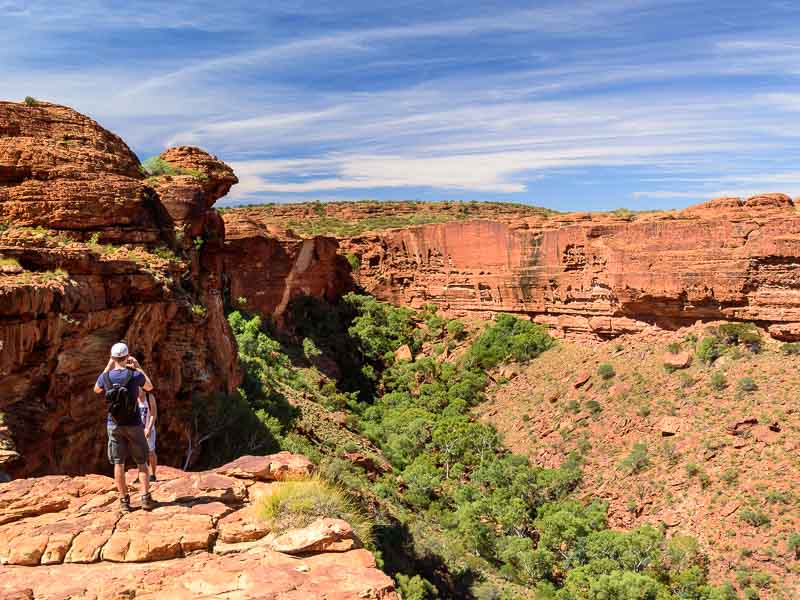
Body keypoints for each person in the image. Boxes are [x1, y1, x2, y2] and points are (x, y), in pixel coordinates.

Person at [94, 342, 156, 513]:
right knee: (142, 462)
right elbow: (150, 387)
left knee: (118, 463)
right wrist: (139, 367)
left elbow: (97, 390)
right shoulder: (134, 375)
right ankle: (145, 498)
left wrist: (108, 365)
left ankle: (124, 502)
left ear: (113, 358)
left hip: (113, 425)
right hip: (135, 424)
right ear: (127, 357)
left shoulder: (105, 377)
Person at [137, 389, 158, 482]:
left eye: (139, 388)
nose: (137, 390)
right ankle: (142, 475)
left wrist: (149, 428)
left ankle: (153, 475)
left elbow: (154, 414)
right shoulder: (135, 398)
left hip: (149, 430)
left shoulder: (150, 398)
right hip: (137, 430)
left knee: (150, 452)